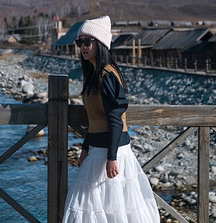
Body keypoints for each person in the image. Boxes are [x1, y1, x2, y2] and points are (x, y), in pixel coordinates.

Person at [63, 15, 160, 223]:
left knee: (113, 211)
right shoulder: (95, 75)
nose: (83, 47)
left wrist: (112, 157)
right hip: (98, 151)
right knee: (98, 211)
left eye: (87, 42)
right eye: (80, 42)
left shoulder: (107, 75)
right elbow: (95, 119)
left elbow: (116, 119)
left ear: (100, 44)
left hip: (110, 153)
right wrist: (85, 148)